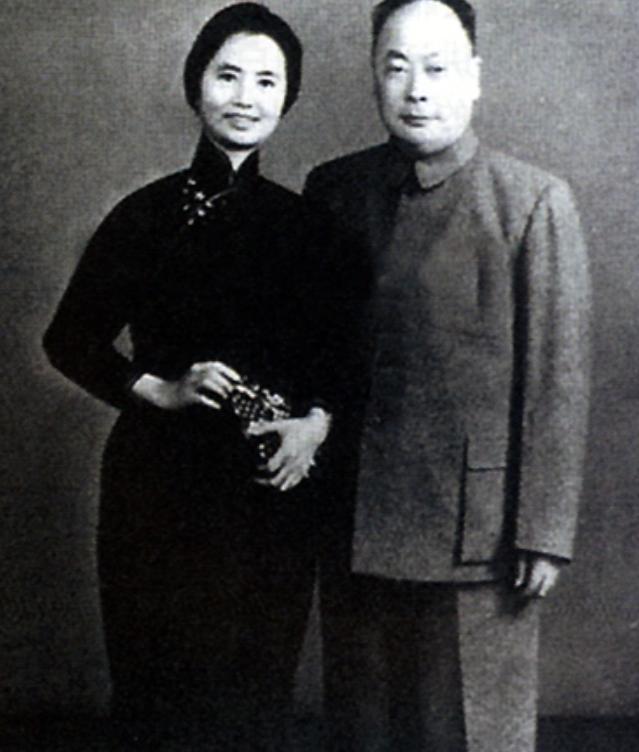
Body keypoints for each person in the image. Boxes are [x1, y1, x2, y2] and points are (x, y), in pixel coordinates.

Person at [43, 4, 333, 750]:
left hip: (271, 499)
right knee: (157, 701)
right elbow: (68, 339)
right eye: (227, 75)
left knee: (256, 703)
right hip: (158, 494)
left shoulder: (308, 226)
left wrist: (315, 424)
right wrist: (160, 389)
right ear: (195, 84)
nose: (245, 97)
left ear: (288, 97)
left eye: (267, 81)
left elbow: (340, 361)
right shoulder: (143, 215)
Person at [304, 1, 591, 750]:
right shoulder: (334, 190)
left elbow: (556, 383)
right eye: (395, 67)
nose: (416, 89)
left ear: (475, 76)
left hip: (477, 533)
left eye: (437, 67)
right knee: (362, 732)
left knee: (465, 734)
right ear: (373, 75)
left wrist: (542, 532)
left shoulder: (530, 201)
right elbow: (313, 351)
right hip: (354, 520)